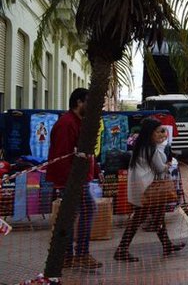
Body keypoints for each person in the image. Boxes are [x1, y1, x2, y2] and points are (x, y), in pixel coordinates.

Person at [46, 88, 103, 270]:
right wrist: (71, 182)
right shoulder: (67, 123)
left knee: (71, 215)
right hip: (72, 180)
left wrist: (95, 170)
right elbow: (62, 155)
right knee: (85, 210)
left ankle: (69, 255)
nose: (92, 106)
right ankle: (79, 254)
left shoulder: (79, 122)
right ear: (79, 102)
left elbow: (84, 151)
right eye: (89, 101)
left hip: (78, 178)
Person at [114, 118, 185, 262]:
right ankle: (121, 250)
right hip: (148, 189)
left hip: (143, 187)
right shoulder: (151, 148)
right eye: (159, 131)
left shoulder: (142, 146)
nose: (162, 134)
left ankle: (167, 245)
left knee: (158, 217)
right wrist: (168, 165)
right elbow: (159, 168)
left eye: (163, 131)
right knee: (138, 220)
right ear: (150, 133)